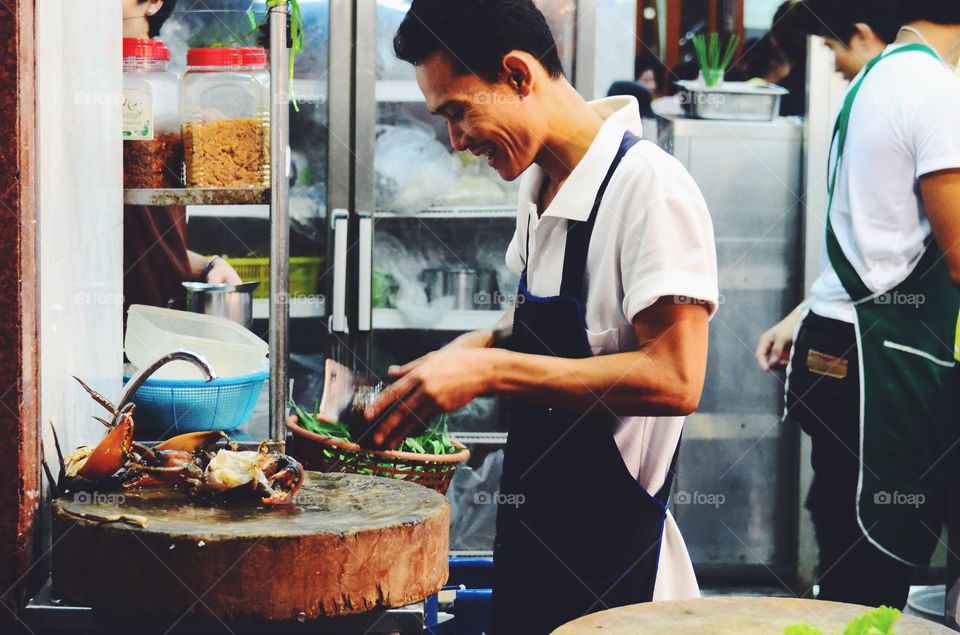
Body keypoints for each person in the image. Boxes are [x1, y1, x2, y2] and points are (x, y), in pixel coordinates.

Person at [366, 1, 718, 632]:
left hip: (616, 578)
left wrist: (491, 371)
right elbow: (545, 327)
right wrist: (461, 355)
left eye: (458, 111)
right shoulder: (541, 187)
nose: (455, 141)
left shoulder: (649, 190)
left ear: (517, 75)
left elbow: (675, 377)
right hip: (537, 552)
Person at [756, 0, 960, 609]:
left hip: (843, 346)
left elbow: (874, 238)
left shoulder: (884, 77)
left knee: (850, 554)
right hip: (877, 363)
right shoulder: (933, 90)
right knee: (868, 573)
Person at [122, 0, 241, 315]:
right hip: (88, 310)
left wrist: (208, 265)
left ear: (153, 2)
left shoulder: (172, 97)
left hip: (153, 310)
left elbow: (154, 234)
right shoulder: (76, 86)